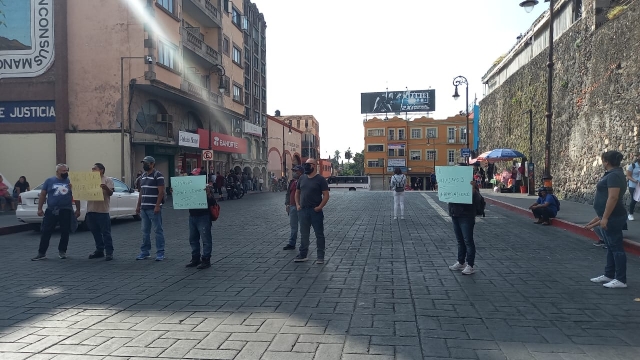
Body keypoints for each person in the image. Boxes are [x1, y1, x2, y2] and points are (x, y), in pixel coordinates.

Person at [587, 150, 628, 289]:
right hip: (609, 215)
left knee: (616, 248)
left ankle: (621, 279)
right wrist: (599, 217)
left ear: (606, 161)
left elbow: (613, 197)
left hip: (614, 216)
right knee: (610, 247)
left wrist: (604, 218)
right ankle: (609, 274)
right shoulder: (613, 174)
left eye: (602, 160)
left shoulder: (614, 176)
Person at [31, 164, 81, 261]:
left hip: (66, 209)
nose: (65, 172)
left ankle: (62, 251)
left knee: (65, 231)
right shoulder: (49, 181)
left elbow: (77, 195)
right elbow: (42, 195)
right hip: (52, 210)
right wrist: (39, 208)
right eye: (63, 171)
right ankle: (41, 253)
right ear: (57, 171)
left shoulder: (71, 182)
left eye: (66, 170)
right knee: (46, 231)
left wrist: (78, 209)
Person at [294, 159, 330, 264]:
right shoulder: (302, 178)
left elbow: (326, 195)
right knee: (304, 234)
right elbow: (297, 192)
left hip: (315, 211)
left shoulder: (320, 179)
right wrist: (297, 205)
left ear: (314, 166)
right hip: (303, 211)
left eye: (308, 165)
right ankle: (303, 254)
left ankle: (320, 256)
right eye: (305, 164)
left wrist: (320, 207)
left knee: (319, 234)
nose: (305, 167)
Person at [135, 156, 166, 261]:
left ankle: (160, 252)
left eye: (146, 163)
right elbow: (141, 192)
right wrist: (138, 206)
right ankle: (145, 252)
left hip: (154, 208)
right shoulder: (142, 176)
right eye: (143, 163)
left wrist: (157, 205)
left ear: (152, 164)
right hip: (144, 208)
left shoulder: (158, 175)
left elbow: (161, 192)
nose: (144, 165)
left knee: (158, 230)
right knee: (145, 231)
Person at [448, 181, 482, 275]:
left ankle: (470, 265)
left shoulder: (471, 185)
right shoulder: (453, 184)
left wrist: (474, 189)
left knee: (468, 240)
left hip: (466, 215)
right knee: (460, 240)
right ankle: (461, 262)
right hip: (455, 214)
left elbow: (477, 199)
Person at [87, 163, 115, 261]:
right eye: (92, 169)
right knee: (95, 232)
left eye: (95, 169)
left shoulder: (107, 180)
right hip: (91, 209)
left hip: (102, 210)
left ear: (102, 170)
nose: (93, 170)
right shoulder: (89, 180)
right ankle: (99, 250)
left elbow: (111, 193)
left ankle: (109, 252)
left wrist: (106, 188)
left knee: (106, 232)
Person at [185, 184, 216, 270]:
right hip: (192, 216)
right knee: (193, 239)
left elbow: (213, 202)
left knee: (206, 239)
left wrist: (208, 194)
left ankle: (206, 260)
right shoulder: (189, 188)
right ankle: (195, 258)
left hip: (203, 216)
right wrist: (176, 193)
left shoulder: (206, 187)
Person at [284, 165, 304, 250]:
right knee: (293, 226)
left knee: (304, 227)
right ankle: (292, 243)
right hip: (292, 206)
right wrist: (287, 204)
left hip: (302, 207)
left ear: (301, 172)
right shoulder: (292, 182)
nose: (294, 172)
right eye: (294, 171)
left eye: (296, 171)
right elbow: (288, 193)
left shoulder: (305, 181)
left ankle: (304, 245)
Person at [625, 152, 640, 221]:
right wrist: (636, 181)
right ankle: (630, 214)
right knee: (634, 200)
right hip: (633, 186)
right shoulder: (633, 166)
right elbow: (628, 176)